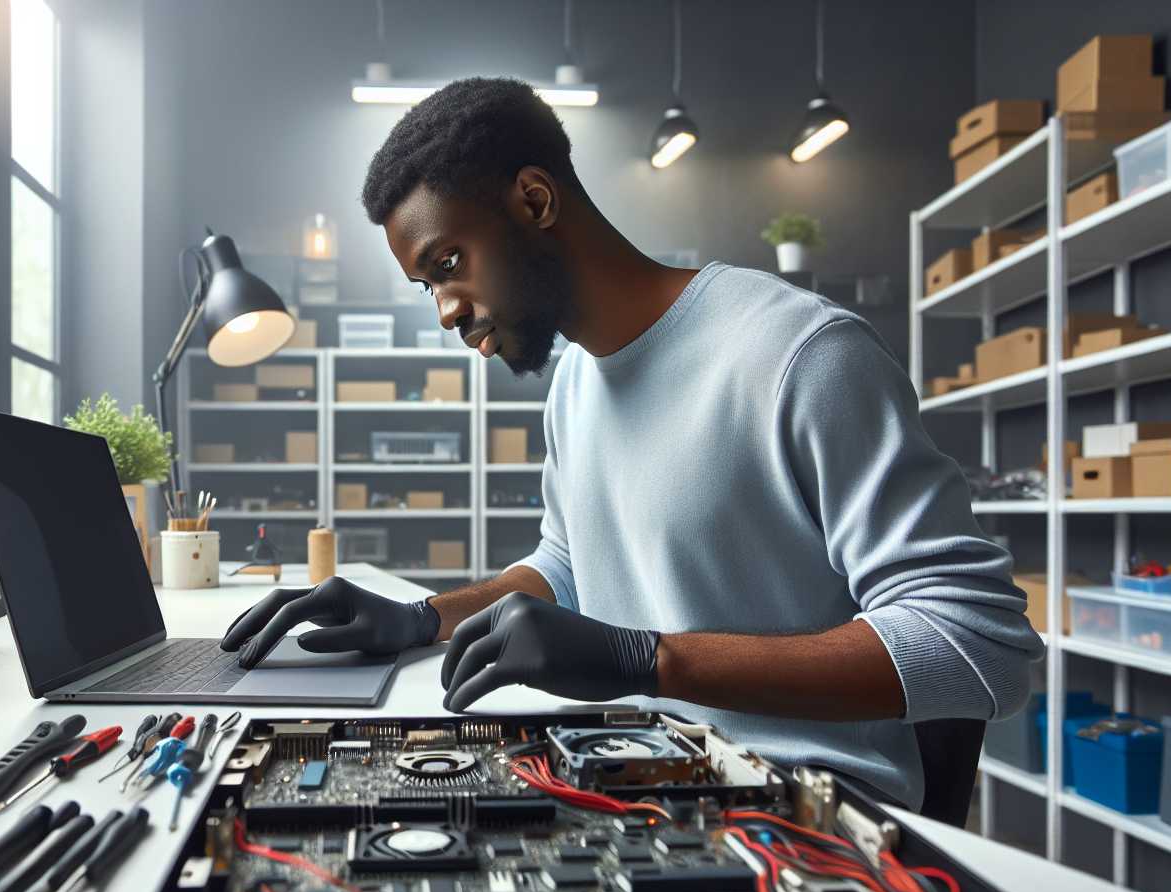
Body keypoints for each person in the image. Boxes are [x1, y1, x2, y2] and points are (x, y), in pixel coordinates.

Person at [221, 78, 1042, 811]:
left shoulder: (799, 354)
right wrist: (419, 618)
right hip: (640, 782)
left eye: (448, 263)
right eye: (427, 284)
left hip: (798, 815)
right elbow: (569, 569)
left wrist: (649, 661)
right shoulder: (577, 384)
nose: (445, 309)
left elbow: (977, 645)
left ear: (535, 202)